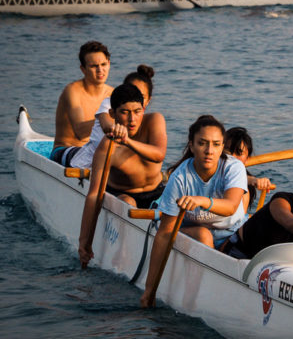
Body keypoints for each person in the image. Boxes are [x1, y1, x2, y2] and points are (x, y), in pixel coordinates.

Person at [140, 115, 247, 307]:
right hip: (194, 231)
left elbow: (230, 206)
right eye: (202, 143)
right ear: (191, 146)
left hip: (231, 234)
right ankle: (202, 294)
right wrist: (149, 290)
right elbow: (165, 234)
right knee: (204, 234)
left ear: (223, 147)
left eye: (216, 144)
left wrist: (202, 200)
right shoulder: (180, 178)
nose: (209, 151)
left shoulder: (234, 167)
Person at [78, 83, 167, 268]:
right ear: (112, 114)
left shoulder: (154, 120)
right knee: (128, 202)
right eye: (125, 112)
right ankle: (123, 253)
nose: (132, 119)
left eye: (137, 111)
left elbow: (159, 154)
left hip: (157, 193)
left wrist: (127, 141)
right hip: (123, 195)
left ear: (144, 109)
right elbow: (94, 195)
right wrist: (84, 242)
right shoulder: (107, 146)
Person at [70, 64, 156, 169]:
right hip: (86, 161)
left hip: (116, 168)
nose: (133, 98)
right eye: (129, 91)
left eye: (140, 96)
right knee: (60, 153)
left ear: (148, 100)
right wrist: (117, 130)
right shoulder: (109, 103)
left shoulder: (147, 119)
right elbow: (106, 125)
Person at [50, 41, 113, 167]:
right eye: (94, 66)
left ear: (109, 64)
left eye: (103, 64)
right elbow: (80, 131)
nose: (100, 70)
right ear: (83, 69)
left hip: (96, 151)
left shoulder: (113, 93)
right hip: (65, 150)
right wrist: (105, 118)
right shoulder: (73, 91)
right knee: (102, 156)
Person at [224, 127, 272, 213]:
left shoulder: (247, 186)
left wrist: (255, 180)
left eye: (239, 153)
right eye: (228, 151)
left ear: (247, 159)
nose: (232, 157)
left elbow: (236, 178)